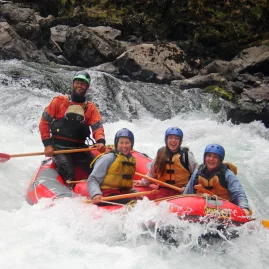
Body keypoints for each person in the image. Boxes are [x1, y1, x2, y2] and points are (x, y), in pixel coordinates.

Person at [39, 71, 106, 186]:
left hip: (79, 148)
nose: (80, 86)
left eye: (83, 84)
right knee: (69, 175)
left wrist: (100, 141)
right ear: (73, 84)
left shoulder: (90, 107)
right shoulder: (59, 101)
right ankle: (71, 190)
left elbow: (97, 127)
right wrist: (47, 144)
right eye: (78, 83)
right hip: (59, 148)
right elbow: (44, 122)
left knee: (98, 171)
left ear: (87, 87)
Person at [184, 144, 250, 215]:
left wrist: (244, 208)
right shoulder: (198, 172)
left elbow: (238, 193)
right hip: (201, 206)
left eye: (215, 157)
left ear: (220, 160)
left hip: (224, 209)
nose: (211, 159)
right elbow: (187, 193)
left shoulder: (227, 174)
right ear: (205, 157)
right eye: (209, 156)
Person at [135, 127, 199, 197]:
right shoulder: (160, 154)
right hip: (164, 190)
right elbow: (152, 173)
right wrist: (144, 182)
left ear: (180, 141)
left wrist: (188, 188)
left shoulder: (186, 156)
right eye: (170, 138)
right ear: (166, 140)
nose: (173, 140)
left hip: (182, 192)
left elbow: (197, 175)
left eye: (176, 138)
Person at [87, 128, 136, 204]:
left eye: (127, 143)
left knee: (141, 202)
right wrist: (96, 194)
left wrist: (134, 192)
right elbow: (93, 179)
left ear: (131, 144)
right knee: (133, 204)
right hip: (107, 194)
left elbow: (125, 183)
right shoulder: (108, 158)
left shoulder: (131, 160)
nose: (124, 146)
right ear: (117, 144)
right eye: (121, 143)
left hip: (122, 194)